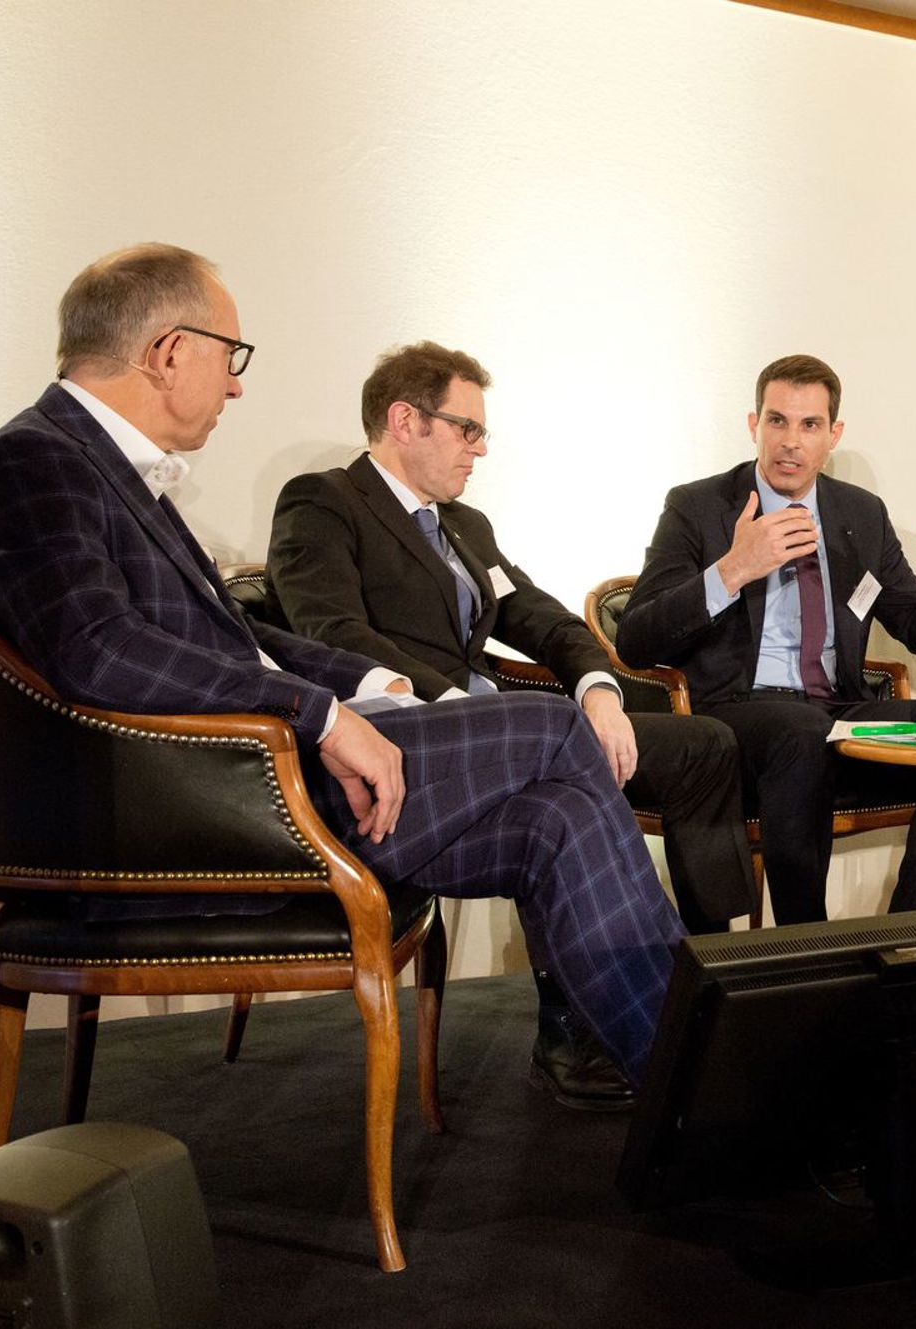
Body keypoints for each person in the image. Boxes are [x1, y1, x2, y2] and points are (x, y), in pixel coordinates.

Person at [0, 244, 684, 1081]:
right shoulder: (37, 458)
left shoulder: (104, 468)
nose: (237, 385)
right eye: (231, 355)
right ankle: (686, 1067)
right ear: (168, 352)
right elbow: (100, 651)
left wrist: (370, 688)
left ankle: (655, 1053)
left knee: (556, 818)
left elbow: (243, 636)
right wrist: (321, 715)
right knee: (556, 726)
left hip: (247, 781)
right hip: (213, 808)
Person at [267, 342, 754, 1109]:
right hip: (412, 744)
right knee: (559, 755)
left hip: (514, 734)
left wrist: (598, 689)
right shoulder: (323, 502)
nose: (481, 448)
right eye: (467, 429)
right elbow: (331, 631)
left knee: (704, 744)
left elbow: (541, 618)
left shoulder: (464, 525)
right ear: (405, 420)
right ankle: (603, 1026)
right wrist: (467, 710)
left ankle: (712, 970)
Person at [616, 354, 916, 922]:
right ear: (753, 425)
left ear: (833, 434)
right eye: (777, 421)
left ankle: (912, 930)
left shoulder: (860, 512)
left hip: (837, 708)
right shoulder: (698, 507)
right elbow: (636, 638)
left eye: (809, 425)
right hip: (738, 712)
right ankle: (804, 945)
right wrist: (733, 569)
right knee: (801, 732)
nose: (791, 441)